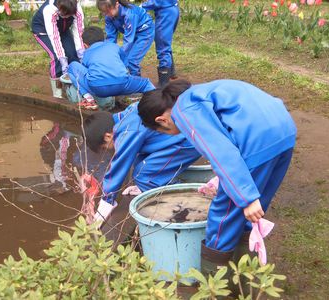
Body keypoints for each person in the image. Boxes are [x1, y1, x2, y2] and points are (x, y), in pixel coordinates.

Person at [138, 79, 297, 275]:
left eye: (165, 132)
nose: (172, 135)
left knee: (223, 216)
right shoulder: (199, 91)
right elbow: (232, 130)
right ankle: (245, 273)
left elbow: (221, 152)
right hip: (284, 130)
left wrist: (244, 196)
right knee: (255, 209)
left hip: (257, 140)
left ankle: (213, 285)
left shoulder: (184, 111)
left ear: (161, 120)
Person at [83, 103, 201, 226]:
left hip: (188, 141)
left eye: (104, 147)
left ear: (107, 136)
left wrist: (107, 201)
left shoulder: (127, 132)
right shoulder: (127, 116)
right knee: (141, 171)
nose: (108, 150)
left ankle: (184, 203)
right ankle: (162, 190)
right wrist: (141, 187)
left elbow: (119, 165)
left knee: (143, 176)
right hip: (187, 133)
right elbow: (137, 156)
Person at [67, 26, 155, 109]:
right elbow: (125, 63)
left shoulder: (87, 53)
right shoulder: (114, 46)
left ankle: (88, 98)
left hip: (97, 88)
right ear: (104, 39)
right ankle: (156, 105)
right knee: (146, 83)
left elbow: (86, 71)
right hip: (123, 83)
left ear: (85, 45)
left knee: (72, 66)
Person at [31, 0, 86, 101]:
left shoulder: (77, 8)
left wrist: (81, 52)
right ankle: (58, 94)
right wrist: (62, 58)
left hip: (63, 30)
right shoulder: (50, 10)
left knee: (73, 55)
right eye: (64, 15)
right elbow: (54, 37)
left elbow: (78, 32)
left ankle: (75, 87)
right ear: (60, 8)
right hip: (43, 31)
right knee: (56, 58)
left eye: (69, 15)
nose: (66, 17)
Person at [97, 0, 154, 77]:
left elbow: (128, 41)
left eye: (107, 11)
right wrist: (109, 54)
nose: (105, 14)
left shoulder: (129, 14)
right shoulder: (109, 17)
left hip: (145, 33)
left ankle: (136, 85)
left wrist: (119, 56)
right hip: (131, 33)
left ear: (117, 4)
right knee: (123, 59)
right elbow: (110, 38)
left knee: (132, 60)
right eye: (103, 12)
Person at [141, 0, 180, 87]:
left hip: (165, 10)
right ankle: (171, 72)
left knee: (162, 43)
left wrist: (142, 6)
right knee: (165, 42)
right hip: (171, 8)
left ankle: (164, 83)